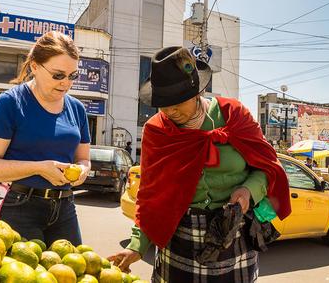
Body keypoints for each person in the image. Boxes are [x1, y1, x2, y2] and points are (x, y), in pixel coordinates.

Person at [108, 46, 291, 282]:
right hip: (180, 237)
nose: (171, 111)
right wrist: (136, 245)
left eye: (178, 103)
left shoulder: (233, 114)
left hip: (233, 232)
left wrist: (248, 191)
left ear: (197, 92)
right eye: (164, 104)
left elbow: (267, 167)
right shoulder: (157, 130)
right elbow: (150, 194)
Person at [0, 31, 91, 246]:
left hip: (64, 206)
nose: (66, 83)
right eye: (58, 75)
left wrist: (82, 171)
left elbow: (83, 159)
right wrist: (39, 168)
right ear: (35, 66)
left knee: (70, 275)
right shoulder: (10, 103)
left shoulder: (77, 109)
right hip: (16, 206)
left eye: (72, 76)